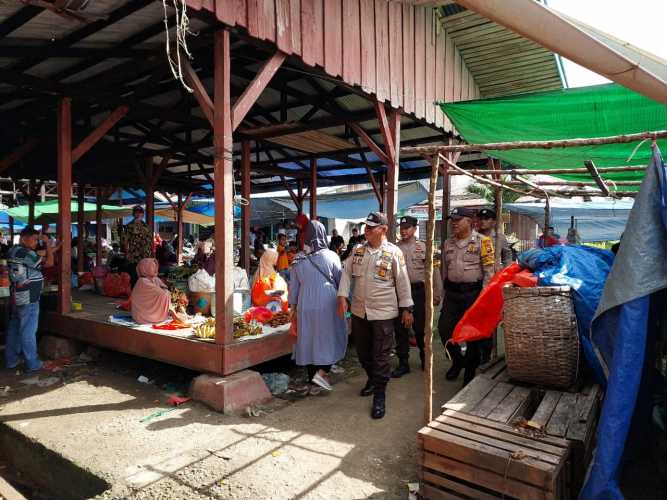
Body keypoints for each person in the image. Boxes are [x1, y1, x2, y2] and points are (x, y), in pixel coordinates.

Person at [337, 212, 413, 419]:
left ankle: (379, 396)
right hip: (361, 312)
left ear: (383, 229)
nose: (366, 230)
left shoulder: (393, 253)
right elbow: (345, 272)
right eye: (366, 227)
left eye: (371, 227)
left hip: (384, 313)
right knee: (363, 353)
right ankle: (373, 379)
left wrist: (407, 308)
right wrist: (342, 296)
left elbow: (403, 281)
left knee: (381, 356)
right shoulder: (358, 250)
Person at [438, 207, 495, 386]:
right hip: (452, 295)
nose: (454, 223)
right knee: (444, 330)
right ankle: (457, 361)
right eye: (452, 220)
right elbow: (444, 271)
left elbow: (489, 272)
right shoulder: (448, 243)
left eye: (458, 220)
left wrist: (483, 298)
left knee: (472, 336)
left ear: (470, 221)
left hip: (473, 294)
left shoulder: (483, 242)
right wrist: (441, 293)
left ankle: (469, 371)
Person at [289, 220, 347, 393]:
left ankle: (313, 378)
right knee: (328, 338)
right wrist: (346, 299)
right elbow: (340, 281)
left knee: (309, 339)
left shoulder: (298, 259)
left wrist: (293, 308)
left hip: (305, 304)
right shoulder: (331, 256)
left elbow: (294, 288)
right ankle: (322, 374)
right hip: (327, 303)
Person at [392, 216, 443, 377]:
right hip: (399, 293)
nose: (403, 230)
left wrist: (436, 293)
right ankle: (403, 363)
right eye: (402, 227)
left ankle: (424, 357)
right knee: (400, 329)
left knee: (421, 329)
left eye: (407, 227)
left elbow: (435, 272)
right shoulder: (394, 248)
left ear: (415, 228)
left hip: (420, 292)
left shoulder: (425, 247)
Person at [6, 227, 58, 372]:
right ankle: (33, 363)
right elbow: (49, 263)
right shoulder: (26, 253)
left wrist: (51, 248)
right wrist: (48, 244)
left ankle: (11, 360)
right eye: (34, 239)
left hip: (17, 296)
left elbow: (38, 255)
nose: (36, 242)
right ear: (23, 239)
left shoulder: (14, 250)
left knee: (15, 328)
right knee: (28, 330)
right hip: (29, 297)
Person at [130, 258, 172, 324]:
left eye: (155, 267)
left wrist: (165, 289)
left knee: (167, 293)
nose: (155, 269)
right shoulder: (143, 281)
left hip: (149, 311)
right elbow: (162, 293)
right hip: (143, 314)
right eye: (152, 267)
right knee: (166, 294)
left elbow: (164, 287)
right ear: (145, 268)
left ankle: (158, 315)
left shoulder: (154, 279)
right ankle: (155, 317)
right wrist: (165, 291)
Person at [122, 205, 153, 286]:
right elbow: (125, 241)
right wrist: (127, 253)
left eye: (140, 213)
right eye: (136, 213)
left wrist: (151, 252)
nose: (139, 214)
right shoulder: (129, 226)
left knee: (145, 274)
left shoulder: (146, 226)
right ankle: (134, 291)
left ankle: (143, 290)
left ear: (143, 214)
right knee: (134, 274)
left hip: (145, 254)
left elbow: (150, 240)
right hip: (134, 255)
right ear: (133, 214)